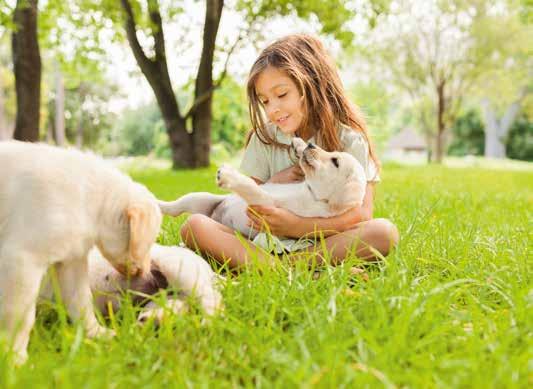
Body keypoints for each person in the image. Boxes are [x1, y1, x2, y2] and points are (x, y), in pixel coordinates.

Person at [180, 34, 399, 269]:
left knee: (383, 232)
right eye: (264, 101)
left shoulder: (349, 139)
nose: (273, 109)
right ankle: (299, 269)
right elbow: (243, 206)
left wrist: (296, 225)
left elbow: (362, 214)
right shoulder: (263, 138)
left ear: (311, 85)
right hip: (263, 242)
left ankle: (281, 268)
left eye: (282, 94)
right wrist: (274, 183)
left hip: (322, 242)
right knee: (194, 227)